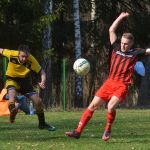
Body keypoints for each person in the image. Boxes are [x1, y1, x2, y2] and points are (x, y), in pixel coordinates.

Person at [65, 12, 150, 141]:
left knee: (110, 106)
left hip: (122, 85)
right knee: (92, 106)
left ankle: (108, 129)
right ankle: (77, 132)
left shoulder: (136, 53)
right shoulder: (115, 47)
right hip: (109, 82)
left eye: (126, 44)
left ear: (131, 44)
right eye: (122, 42)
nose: (123, 45)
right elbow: (111, 29)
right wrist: (120, 17)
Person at [0, 45, 55, 131]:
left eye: (26, 56)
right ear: (18, 54)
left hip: (24, 81)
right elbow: (1, 50)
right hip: (11, 78)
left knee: (38, 101)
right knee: (12, 95)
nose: (24, 59)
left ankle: (42, 123)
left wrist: (43, 81)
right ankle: (12, 111)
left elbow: (42, 72)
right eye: (22, 56)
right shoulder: (11, 54)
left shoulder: (31, 60)